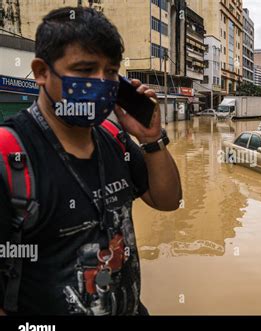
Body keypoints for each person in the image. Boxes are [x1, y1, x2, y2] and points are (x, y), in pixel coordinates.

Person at [0, 7, 182, 315]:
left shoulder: (115, 138)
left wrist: (152, 140)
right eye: (85, 70)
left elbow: (168, 201)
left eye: (110, 72)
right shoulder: (10, 156)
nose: (101, 83)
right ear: (42, 72)